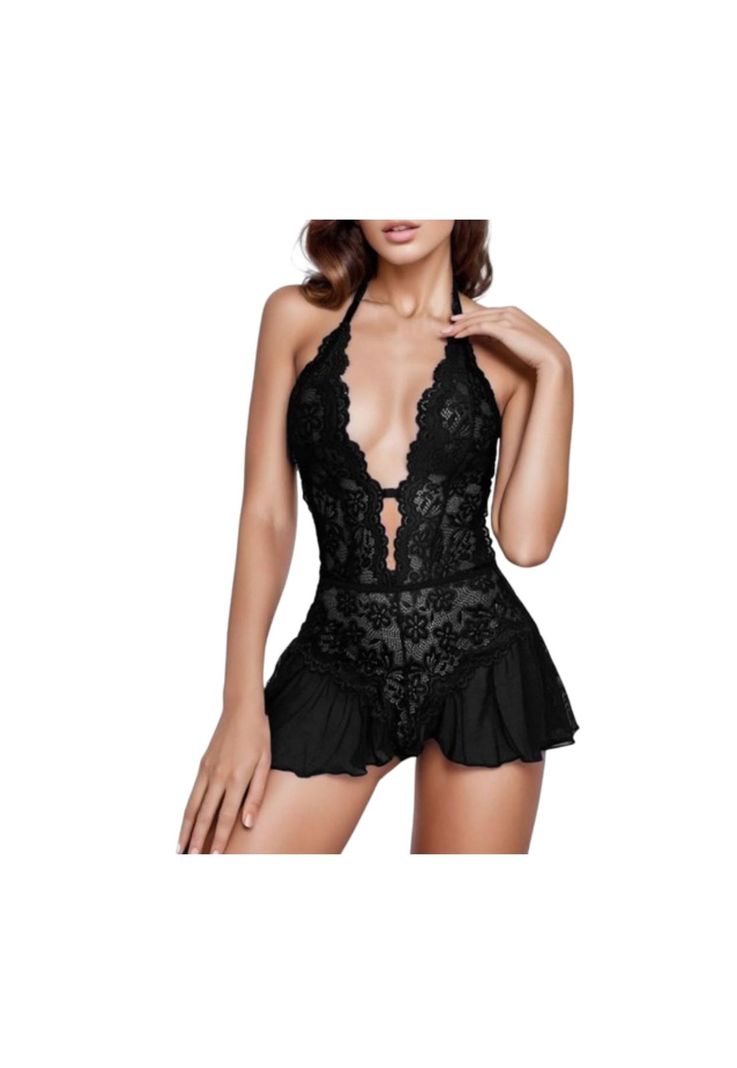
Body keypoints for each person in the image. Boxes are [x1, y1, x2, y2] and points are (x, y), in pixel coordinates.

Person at [177, 219, 579, 855]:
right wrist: (240, 704)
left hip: (479, 661)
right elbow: (266, 516)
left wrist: (556, 368)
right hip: (336, 658)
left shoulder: (509, 352)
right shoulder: (296, 317)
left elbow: (526, 543)